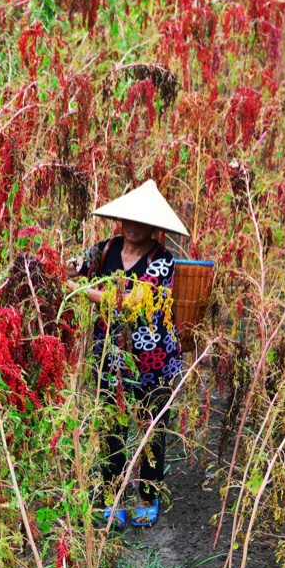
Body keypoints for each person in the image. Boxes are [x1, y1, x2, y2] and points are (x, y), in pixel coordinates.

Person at [65, 179, 189, 528]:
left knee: (151, 429)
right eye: (127, 220)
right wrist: (69, 269)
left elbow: (131, 303)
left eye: (141, 221)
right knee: (111, 428)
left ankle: (147, 498)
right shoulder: (106, 249)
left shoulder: (162, 261)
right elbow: (72, 266)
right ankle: (112, 497)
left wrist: (80, 288)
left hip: (154, 360)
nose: (132, 227)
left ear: (154, 226)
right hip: (110, 355)